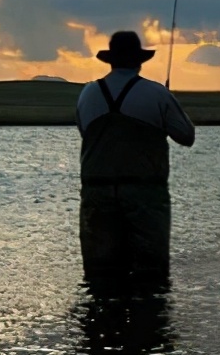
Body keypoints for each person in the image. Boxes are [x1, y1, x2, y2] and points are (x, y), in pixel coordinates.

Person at [75, 30, 195, 290]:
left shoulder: (87, 94)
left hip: (96, 194)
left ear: (110, 60)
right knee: (151, 277)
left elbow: (85, 131)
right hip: (145, 197)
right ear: (140, 61)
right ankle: (148, 326)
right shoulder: (156, 94)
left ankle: (102, 326)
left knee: (100, 277)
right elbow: (186, 136)